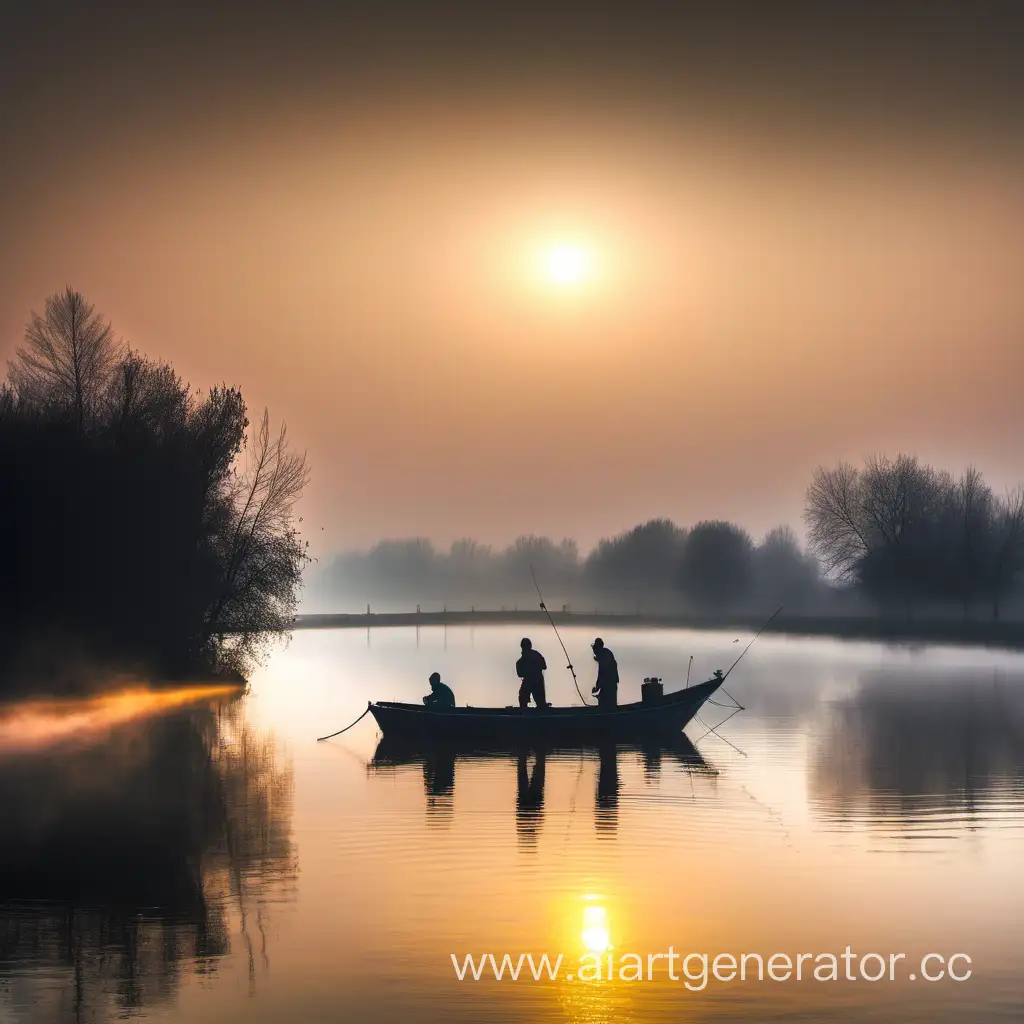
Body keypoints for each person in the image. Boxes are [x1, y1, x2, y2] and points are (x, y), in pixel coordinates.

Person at [516, 638, 549, 708]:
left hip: (535, 680)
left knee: (525, 698)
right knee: (523, 697)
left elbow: (544, 666)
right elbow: (544, 666)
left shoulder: (526, 658)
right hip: (533, 679)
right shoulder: (535, 655)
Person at [590, 637, 619, 708]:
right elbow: (600, 675)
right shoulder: (603, 656)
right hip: (608, 684)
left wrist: (598, 687)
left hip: (610, 685)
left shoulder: (605, 656)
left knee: (608, 705)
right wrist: (597, 686)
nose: (595, 653)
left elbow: (605, 675)